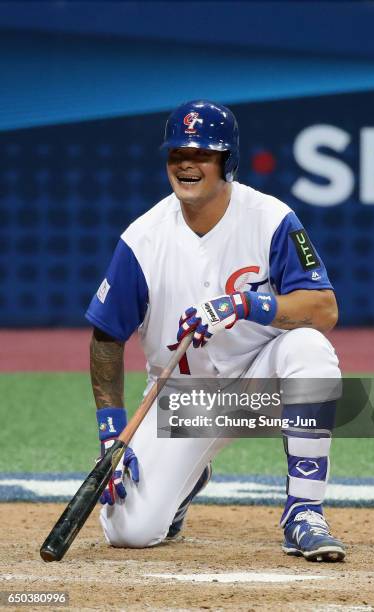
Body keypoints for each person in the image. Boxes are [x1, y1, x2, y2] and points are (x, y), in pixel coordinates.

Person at [85, 100, 345, 562]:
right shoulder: (143, 239)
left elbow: (324, 309)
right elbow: (106, 338)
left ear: (229, 162)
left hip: (260, 387)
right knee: (128, 530)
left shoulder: (271, 219)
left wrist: (246, 303)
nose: (187, 163)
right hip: (187, 403)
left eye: (203, 153)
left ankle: (304, 511)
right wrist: (111, 434)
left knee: (310, 349)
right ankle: (188, 478)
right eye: (177, 153)